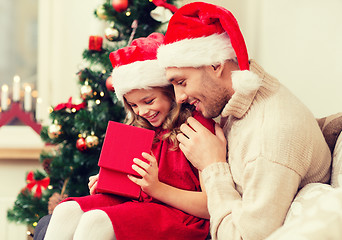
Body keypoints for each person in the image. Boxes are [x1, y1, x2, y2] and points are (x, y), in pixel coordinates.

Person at [157, 2, 331, 240]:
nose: (179, 98)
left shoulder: (269, 137)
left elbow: (242, 237)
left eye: (182, 82)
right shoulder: (237, 100)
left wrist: (212, 167)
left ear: (215, 65)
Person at [42, 33, 214, 240]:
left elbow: (209, 205)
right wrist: (108, 182)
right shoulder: (140, 129)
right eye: (133, 105)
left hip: (182, 215)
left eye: (148, 101)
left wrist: (156, 188)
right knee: (65, 210)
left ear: (171, 92)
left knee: (96, 221)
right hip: (141, 203)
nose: (141, 112)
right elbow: (131, 189)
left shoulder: (196, 127)